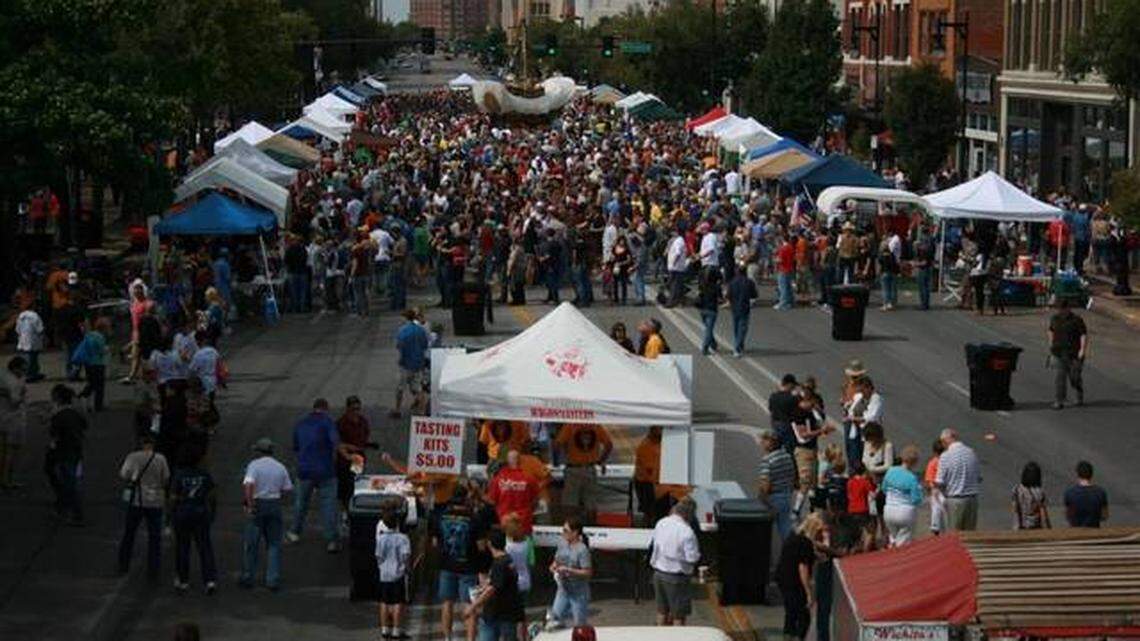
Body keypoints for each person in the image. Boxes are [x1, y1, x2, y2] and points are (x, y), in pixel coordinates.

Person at [287, 398, 341, 552]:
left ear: (314, 408)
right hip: (325, 470)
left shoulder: (301, 423)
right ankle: (331, 540)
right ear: (326, 408)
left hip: (304, 470)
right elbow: (335, 442)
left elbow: (296, 447)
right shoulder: (328, 422)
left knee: (300, 503)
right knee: (329, 506)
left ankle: (294, 532)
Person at [240, 437, 293, 591]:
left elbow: (249, 485)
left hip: (258, 503)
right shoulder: (280, 467)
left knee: (252, 543)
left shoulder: (254, 465)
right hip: (274, 503)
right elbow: (287, 489)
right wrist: (278, 499)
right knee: (274, 544)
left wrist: (250, 504)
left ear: (258, 451)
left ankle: (248, 576)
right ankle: (272, 579)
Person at [432, 485, 484, 641]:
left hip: (447, 564)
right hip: (469, 567)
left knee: (447, 603)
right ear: (466, 497)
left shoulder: (441, 515)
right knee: (469, 605)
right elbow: (481, 546)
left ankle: (447, 637)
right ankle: (470, 639)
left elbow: (435, 542)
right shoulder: (474, 518)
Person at [118, 433, 171, 580]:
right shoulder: (160, 458)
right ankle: (153, 569)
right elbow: (166, 479)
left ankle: (124, 563)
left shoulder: (133, 457)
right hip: (155, 501)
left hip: (137, 500)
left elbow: (123, 474)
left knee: (129, 533)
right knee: (154, 537)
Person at [170, 444, 218, 594]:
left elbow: (173, 497)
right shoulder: (204, 475)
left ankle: (183, 580)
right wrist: (212, 513)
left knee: (183, 547)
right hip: (200, 511)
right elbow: (212, 495)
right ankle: (209, 580)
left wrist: (170, 515)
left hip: (183, 512)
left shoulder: (179, 475)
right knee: (204, 547)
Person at [649, 498, 701, 626]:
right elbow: (692, 558)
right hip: (677, 577)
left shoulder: (661, 522)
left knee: (661, 612)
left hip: (659, 573)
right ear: (690, 514)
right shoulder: (687, 532)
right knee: (679, 616)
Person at [775, 513, 825, 641]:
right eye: (820, 531)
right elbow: (803, 568)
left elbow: (797, 555)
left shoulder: (795, 536)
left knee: (791, 612)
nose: (822, 535)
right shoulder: (805, 543)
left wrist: (815, 555)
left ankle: (788, 635)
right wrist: (808, 592)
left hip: (782, 578)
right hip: (793, 581)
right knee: (803, 616)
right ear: (815, 529)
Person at [468, 529, 524, 641]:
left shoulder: (499, 564)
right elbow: (498, 582)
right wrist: (484, 586)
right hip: (509, 612)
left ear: (489, 544)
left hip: (497, 613)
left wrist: (473, 606)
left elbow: (492, 589)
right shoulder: (508, 559)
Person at [555, 424, 613, 522]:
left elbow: (557, 445)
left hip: (573, 469)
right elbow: (609, 445)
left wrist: (562, 455)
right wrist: (601, 460)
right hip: (590, 468)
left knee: (570, 503)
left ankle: (571, 528)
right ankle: (592, 527)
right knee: (591, 503)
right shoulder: (596, 426)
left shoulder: (570, 425)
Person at [46, 384, 86, 524]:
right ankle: (67, 507)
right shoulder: (76, 413)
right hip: (76, 450)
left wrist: (52, 449)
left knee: (68, 482)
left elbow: (54, 437)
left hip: (63, 452)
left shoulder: (59, 416)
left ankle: (73, 512)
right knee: (72, 480)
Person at [545, 517, 592, 629]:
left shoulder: (582, 550)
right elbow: (556, 561)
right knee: (554, 619)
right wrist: (553, 567)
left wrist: (569, 570)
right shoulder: (562, 544)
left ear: (575, 532)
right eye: (563, 530)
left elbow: (588, 572)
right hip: (563, 590)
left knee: (579, 626)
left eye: (566, 531)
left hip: (579, 593)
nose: (563, 533)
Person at [935, 428, 981, 532]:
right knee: (970, 535)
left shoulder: (945, 456)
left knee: (955, 537)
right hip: (972, 499)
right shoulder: (971, 452)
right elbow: (978, 477)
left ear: (945, 441)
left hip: (955, 499)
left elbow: (940, 481)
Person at [376, 509, 412, 639]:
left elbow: (378, 556)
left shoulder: (381, 538)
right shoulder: (403, 539)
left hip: (384, 574)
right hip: (398, 574)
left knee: (384, 601)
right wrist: (408, 568)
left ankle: (385, 629)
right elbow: (405, 556)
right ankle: (396, 629)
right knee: (398, 602)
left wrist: (381, 567)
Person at [487, 450, 541, 533]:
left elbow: (492, 501)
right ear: (520, 461)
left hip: (505, 523)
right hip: (524, 523)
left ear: (508, 461)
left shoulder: (498, 479)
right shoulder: (530, 479)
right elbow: (536, 500)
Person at [1048, 298, 1088, 410]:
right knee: (1060, 378)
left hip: (1074, 353)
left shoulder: (1076, 320)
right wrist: (1051, 343)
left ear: (1067, 308)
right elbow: (1051, 330)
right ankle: (1059, 400)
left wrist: (1082, 350)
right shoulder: (1054, 319)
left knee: (1074, 377)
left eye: (1062, 309)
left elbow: (1083, 335)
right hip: (1059, 352)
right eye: (1058, 309)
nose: (1060, 311)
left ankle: (1079, 392)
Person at [757, 428, 796, 541]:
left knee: (763, 527)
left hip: (773, 498)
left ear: (771, 443)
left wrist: (761, 498)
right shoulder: (787, 456)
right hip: (786, 495)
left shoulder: (767, 460)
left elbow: (765, 485)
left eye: (764, 440)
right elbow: (792, 476)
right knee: (785, 524)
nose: (762, 443)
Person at [881, 445, 924, 547]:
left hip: (889, 511)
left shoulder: (890, 471)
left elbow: (884, 489)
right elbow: (916, 499)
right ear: (914, 462)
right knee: (903, 543)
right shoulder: (912, 478)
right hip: (905, 512)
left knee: (893, 538)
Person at [336, 396, 371, 511]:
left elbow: (366, 435)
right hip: (344, 461)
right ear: (347, 409)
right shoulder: (341, 423)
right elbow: (337, 442)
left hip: (358, 460)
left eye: (358, 409)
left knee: (356, 483)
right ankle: (345, 511)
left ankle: (355, 508)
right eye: (353, 409)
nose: (356, 412)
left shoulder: (363, 421)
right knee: (345, 488)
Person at [393, 309, 429, 417]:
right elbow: (424, 345)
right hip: (418, 363)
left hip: (405, 363)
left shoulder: (402, 330)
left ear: (405, 318)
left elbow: (399, 346)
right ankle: (422, 411)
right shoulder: (420, 330)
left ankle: (397, 409)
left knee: (400, 388)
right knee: (418, 388)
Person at [0, 357, 29, 490]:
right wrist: (22, 395)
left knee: (6, 451)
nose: (24, 372)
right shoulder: (12, 382)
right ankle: (6, 480)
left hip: (7, 418)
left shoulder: (5, 376)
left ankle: (6, 479)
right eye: (22, 369)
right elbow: (15, 402)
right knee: (10, 452)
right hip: (12, 419)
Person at [72, 317, 110, 411]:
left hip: (88, 363)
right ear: (104, 328)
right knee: (99, 386)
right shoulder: (100, 337)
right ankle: (98, 406)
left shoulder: (89, 335)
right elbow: (101, 350)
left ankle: (83, 396)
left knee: (91, 383)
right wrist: (107, 349)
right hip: (98, 363)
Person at [1063, 460, 1108, 528]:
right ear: (1091, 474)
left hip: (1076, 531)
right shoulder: (1100, 492)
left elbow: (1068, 515)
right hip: (1094, 530)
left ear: (1078, 474)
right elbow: (1104, 516)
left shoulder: (1070, 493)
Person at [727, 263, 758, 357]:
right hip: (745, 307)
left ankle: (739, 345)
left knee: (736, 328)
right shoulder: (749, 282)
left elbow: (728, 295)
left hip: (734, 308)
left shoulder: (732, 282)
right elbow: (754, 295)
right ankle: (737, 348)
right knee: (742, 329)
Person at [1011, 461, 1050, 530]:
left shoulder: (1016, 490)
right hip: (1036, 527)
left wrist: (1015, 528)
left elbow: (1015, 511)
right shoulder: (1039, 492)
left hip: (1022, 527)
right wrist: (1047, 529)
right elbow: (1043, 514)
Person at [767, 374, 799, 454]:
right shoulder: (792, 398)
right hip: (786, 424)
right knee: (789, 448)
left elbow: (770, 409)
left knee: (776, 446)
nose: (794, 388)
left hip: (775, 423)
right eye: (793, 385)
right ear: (789, 384)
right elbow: (796, 413)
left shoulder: (773, 396)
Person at [696, 266, 722, 355]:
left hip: (702, 309)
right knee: (709, 330)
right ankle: (705, 348)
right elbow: (720, 299)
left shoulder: (702, 285)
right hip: (712, 310)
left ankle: (713, 344)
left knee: (708, 329)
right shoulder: (716, 287)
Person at [15, 307, 45, 383]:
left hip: (23, 341)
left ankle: (31, 373)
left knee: (26, 359)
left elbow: (17, 330)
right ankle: (30, 374)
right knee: (33, 359)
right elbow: (40, 329)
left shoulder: (21, 316)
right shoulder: (35, 316)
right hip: (33, 341)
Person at [924, 439, 946, 535]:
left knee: (936, 509)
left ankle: (935, 527)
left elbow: (929, 478)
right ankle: (941, 528)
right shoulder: (946, 462)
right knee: (944, 511)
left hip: (936, 490)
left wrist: (932, 488)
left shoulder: (932, 463)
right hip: (946, 490)